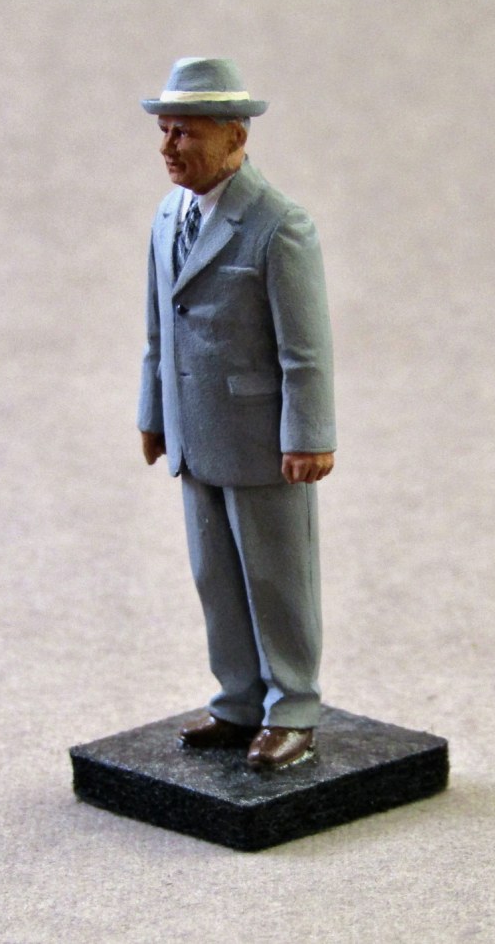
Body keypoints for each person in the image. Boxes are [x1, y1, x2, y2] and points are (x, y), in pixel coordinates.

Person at [138, 58, 336, 769]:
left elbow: (305, 350)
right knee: (215, 578)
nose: (169, 147)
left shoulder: (279, 225)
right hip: (194, 435)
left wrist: (309, 436)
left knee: (277, 580)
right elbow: (158, 329)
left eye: (185, 133)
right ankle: (238, 701)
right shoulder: (168, 216)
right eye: (165, 130)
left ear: (235, 137)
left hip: (262, 442)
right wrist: (154, 413)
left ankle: (294, 707)